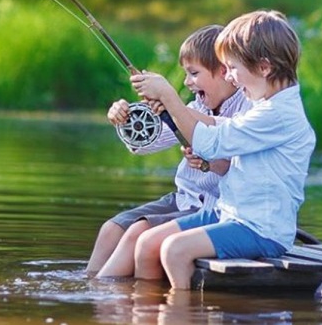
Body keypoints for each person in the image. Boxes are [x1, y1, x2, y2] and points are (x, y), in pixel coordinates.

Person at [131, 9, 316, 289]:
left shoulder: (279, 114)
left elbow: (210, 142)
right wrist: (174, 109)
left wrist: (170, 98)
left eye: (232, 68)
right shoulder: (264, 105)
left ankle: (180, 314)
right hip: (229, 212)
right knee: (147, 242)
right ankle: (146, 311)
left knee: (175, 250)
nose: (229, 77)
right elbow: (220, 126)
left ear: (264, 67)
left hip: (259, 228)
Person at [87, 24, 250, 278]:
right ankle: (89, 286)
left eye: (194, 73)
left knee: (136, 233)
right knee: (111, 229)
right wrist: (126, 118)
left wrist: (172, 103)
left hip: (214, 209)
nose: (187, 82)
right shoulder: (197, 105)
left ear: (222, 71)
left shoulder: (247, 108)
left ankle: (102, 296)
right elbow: (145, 145)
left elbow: (227, 135)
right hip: (182, 200)